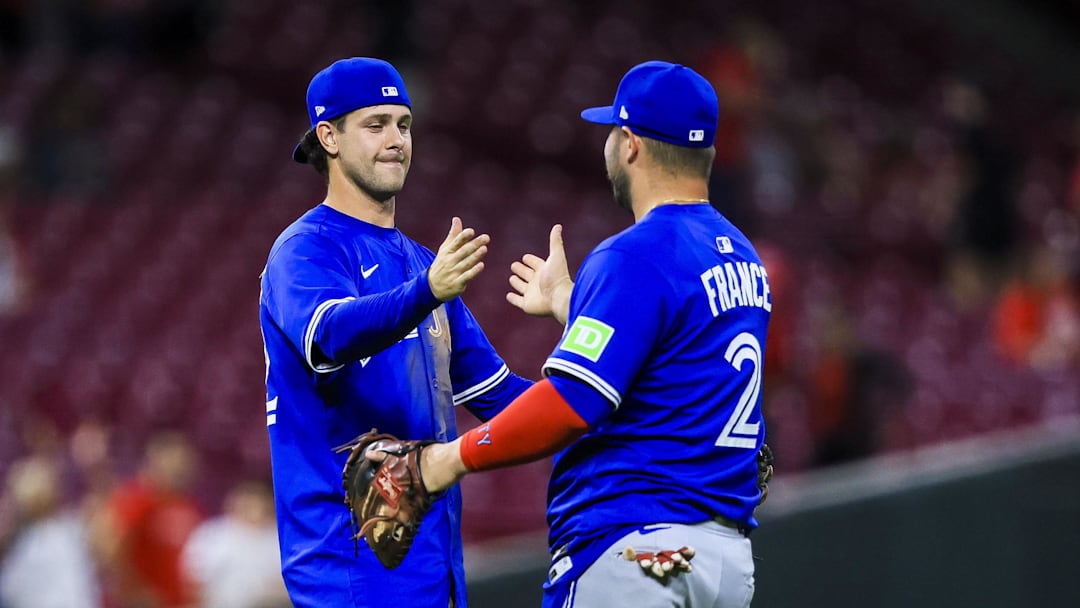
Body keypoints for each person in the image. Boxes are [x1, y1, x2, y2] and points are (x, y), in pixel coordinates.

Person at [420, 61, 772, 607]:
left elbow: (571, 404)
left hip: (640, 553)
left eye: (612, 130)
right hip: (723, 559)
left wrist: (448, 460)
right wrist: (569, 304)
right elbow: (669, 367)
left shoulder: (635, 253)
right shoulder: (743, 256)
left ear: (631, 143)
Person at [259, 57, 531, 607]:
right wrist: (425, 292)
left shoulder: (420, 263)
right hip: (350, 568)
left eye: (404, 124)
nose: (396, 140)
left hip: (434, 567)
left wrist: (615, 401)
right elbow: (330, 334)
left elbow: (502, 397)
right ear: (328, 137)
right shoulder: (306, 249)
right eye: (375, 124)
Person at [92, 430, 204, 608]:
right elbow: (108, 545)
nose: (180, 467)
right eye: (174, 460)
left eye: (184, 461)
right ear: (157, 460)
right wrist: (133, 590)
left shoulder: (189, 506)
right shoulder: (138, 498)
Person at [181, 480, 290, 608]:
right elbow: (194, 579)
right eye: (249, 503)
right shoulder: (212, 534)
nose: (255, 509)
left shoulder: (279, 539)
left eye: (259, 503)